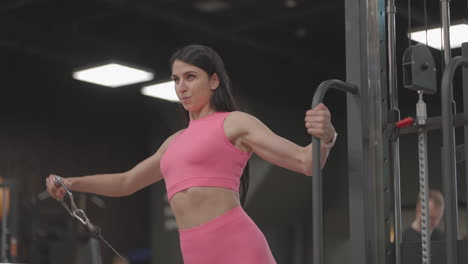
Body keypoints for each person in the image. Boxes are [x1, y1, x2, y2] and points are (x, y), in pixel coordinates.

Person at [45, 44, 337, 264]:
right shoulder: (173, 142)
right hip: (194, 253)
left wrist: (326, 137)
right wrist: (72, 182)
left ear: (213, 81)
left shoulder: (234, 122)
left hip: (237, 246)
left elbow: (305, 162)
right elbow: (127, 182)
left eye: (190, 77)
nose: (181, 87)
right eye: (175, 79)